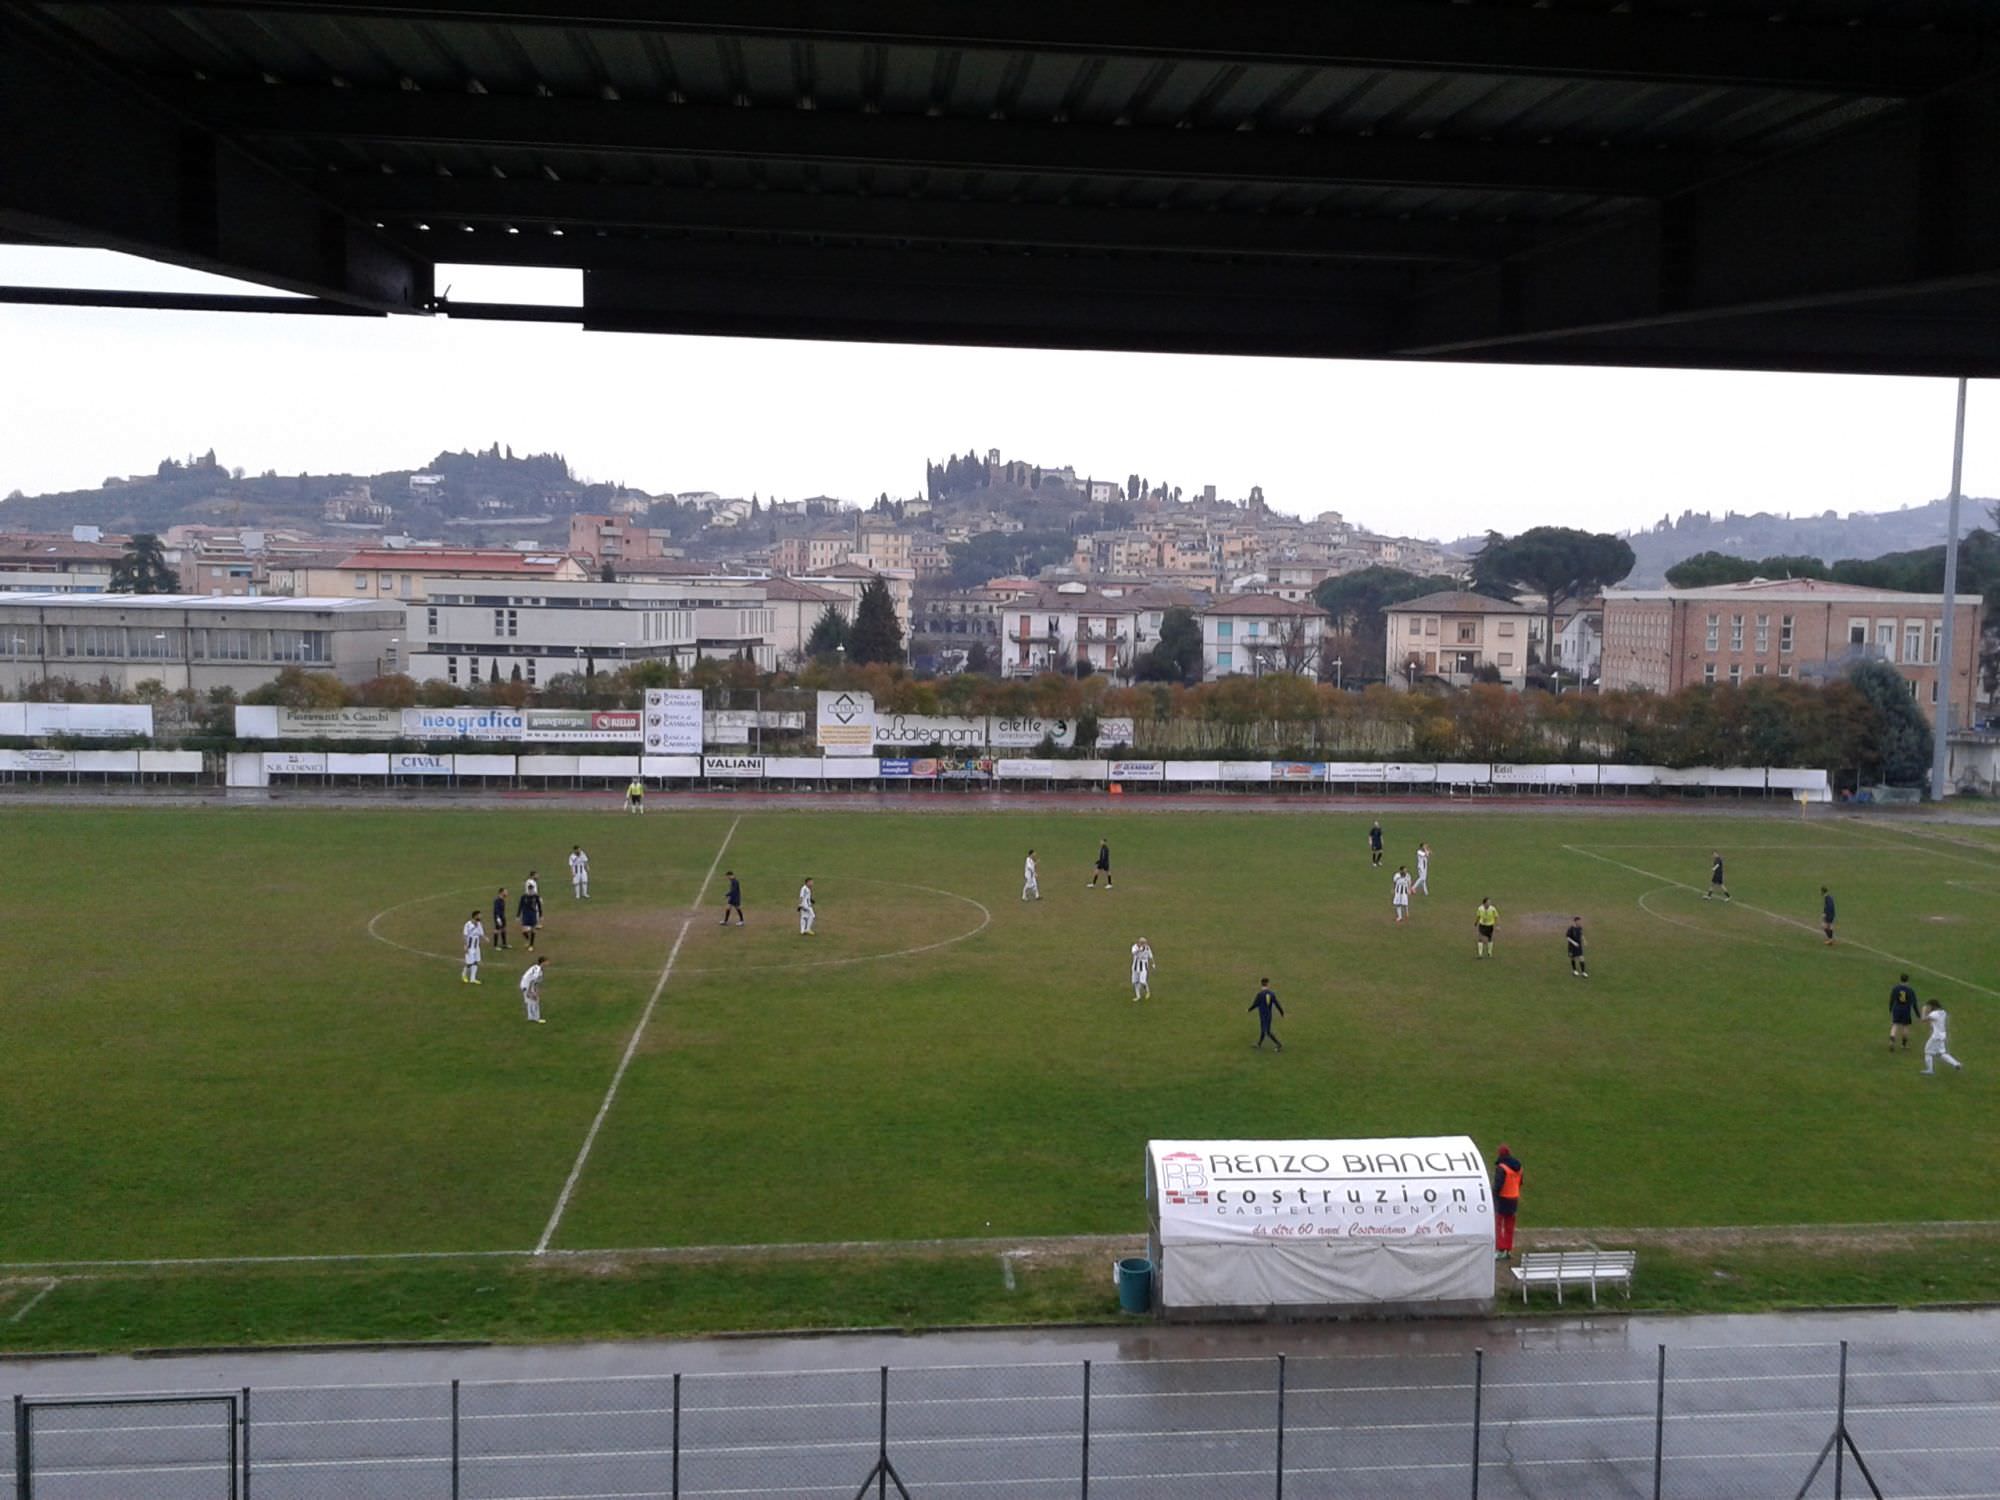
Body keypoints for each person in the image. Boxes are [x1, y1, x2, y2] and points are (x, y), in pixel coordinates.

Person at [1492, 1145, 1523, 1260]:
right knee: (1510, 1225)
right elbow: (1520, 1182)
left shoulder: (1501, 1167)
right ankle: (1508, 1249)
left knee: (1499, 1225)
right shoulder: (1519, 1167)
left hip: (1503, 1199)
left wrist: (1493, 1195)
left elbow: (1498, 1185)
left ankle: (1500, 1249)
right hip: (1514, 1198)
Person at [1920, 1001, 1963, 1076]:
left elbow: (1923, 1020)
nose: (1928, 1008)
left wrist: (1923, 1010)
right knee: (1942, 1053)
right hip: (1942, 1035)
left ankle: (1930, 1070)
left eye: (1929, 1007)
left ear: (1933, 1006)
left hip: (1936, 1036)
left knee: (1927, 1051)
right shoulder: (1943, 1012)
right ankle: (1956, 1064)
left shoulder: (1934, 1014)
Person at [1249, 978, 1283, 1051]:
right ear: (1268, 984)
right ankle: (1259, 1044)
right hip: (1268, 1015)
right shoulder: (1271, 994)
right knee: (1263, 1030)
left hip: (1263, 1015)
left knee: (1267, 1031)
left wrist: (1249, 1009)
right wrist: (1281, 1012)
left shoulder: (1260, 994)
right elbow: (1277, 1004)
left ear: (1261, 984)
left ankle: (1278, 1044)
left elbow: (1255, 1004)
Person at [1889, 975, 1919, 1051]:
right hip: (1906, 1010)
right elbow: (1914, 1003)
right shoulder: (1910, 990)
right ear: (1907, 980)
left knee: (1895, 1024)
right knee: (1905, 1026)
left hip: (1897, 1008)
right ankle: (1903, 1045)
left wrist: (1890, 1008)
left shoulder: (1896, 988)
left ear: (1900, 980)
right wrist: (1917, 1014)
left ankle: (1892, 1040)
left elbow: (1892, 999)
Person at [517, 877, 542, 951]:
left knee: (533, 930)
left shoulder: (535, 896)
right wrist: (518, 915)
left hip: (533, 914)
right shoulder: (524, 897)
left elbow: (539, 906)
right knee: (524, 931)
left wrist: (541, 915)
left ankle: (531, 945)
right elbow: (520, 905)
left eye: (532, 889)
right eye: (530, 889)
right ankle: (528, 939)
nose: (531, 890)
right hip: (525, 914)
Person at [460, 909, 485, 985]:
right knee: (469, 963)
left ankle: (473, 979)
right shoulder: (468, 925)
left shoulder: (479, 924)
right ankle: (464, 975)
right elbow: (464, 935)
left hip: (476, 947)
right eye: (479, 915)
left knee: (476, 962)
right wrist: (465, 946)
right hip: (470, 947)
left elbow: (481, 934)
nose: (481, 916)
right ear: (475, 916)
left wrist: (485, 938)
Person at [520, 955, 547, 1024]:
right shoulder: (538, 970)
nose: (547, 963)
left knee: (530, 1001)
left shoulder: (536, 967)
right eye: (546, 961)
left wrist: (536, 990)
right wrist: (529, 991)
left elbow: (535, 982)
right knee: (535, 1000)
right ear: (543, 962)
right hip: (527, 985)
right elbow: (532, 980)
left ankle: (530, 1017)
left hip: (525, 984)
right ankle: (536, 1018)